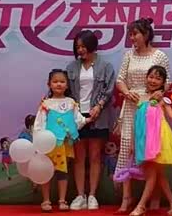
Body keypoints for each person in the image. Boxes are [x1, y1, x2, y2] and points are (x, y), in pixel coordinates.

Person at [114, 18, 171, 214]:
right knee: (126, 149)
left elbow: (167, 81)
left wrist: (159, 93)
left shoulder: (160, 56)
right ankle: (126, 198)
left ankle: (154, 197)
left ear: (146, 34)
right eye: (130, 34)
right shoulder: (128, 55)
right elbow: (120, 79)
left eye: (135, 34)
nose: (132, 38)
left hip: (151, 108)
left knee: (150, 152)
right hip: (131, 105)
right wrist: (126, 92)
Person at [67, 30, 117, 211]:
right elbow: (66, 90)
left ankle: (93, 195)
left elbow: (109, 90)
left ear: (92, 46)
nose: (80, 50)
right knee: (79, 158)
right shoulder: (71, 67)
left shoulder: (105, 66)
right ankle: (80, 195)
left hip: (98, 116)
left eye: (83, 46)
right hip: (77, 116)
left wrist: (99, 106)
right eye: (77, 47)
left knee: (95, 156)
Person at [129, 65, 172, 216]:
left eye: (158, 78)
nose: (153, 81)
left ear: (163, 83)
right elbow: (136, 122)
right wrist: (133, 142)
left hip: (158, 140)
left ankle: (141, 206)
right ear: (146, 77)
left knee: (152, 174)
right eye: (151, 77)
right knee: (159, 175)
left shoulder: (163, 99)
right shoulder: (140, 98)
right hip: (144, 140)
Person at [34, 69, 88, 213]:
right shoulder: (46, 104)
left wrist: (88, 120)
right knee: (46, 171)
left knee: (63, 171)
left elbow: (78, 120)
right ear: (49, 84)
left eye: (62, 81)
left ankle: (62, 200)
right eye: (55, 81)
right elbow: (39, 124)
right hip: (48, 144)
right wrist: (39, 141)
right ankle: (46, 200)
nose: (59, 84)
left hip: (65, 144)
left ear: (67, 85)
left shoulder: (71, 103)